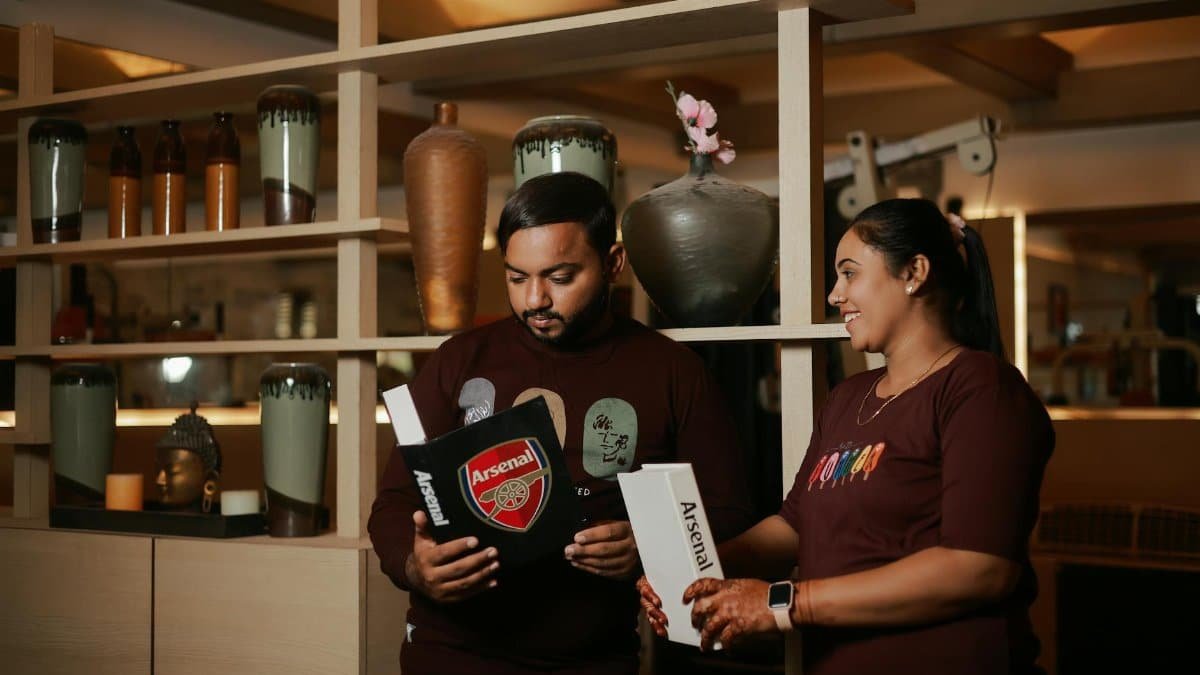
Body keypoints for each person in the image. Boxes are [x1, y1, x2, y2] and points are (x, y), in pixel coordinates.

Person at [640, 198, 1055, 675]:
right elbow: (793, 527)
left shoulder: (980, 388)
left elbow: (978, 568)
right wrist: (698, 574)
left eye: (850, 273)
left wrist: (784, 602)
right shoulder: (847, 398)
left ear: (914, 272)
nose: (836, 295)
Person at [369, 171, 752, 675]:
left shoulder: (673, 371)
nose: (535, 300)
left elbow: (730, 514)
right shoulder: (457, 360)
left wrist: (646, 546)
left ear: (613, 263)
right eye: (517, 277)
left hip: (593, 659)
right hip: (451, 652)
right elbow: (394, 503)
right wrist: (414, 566)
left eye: (561, 277)